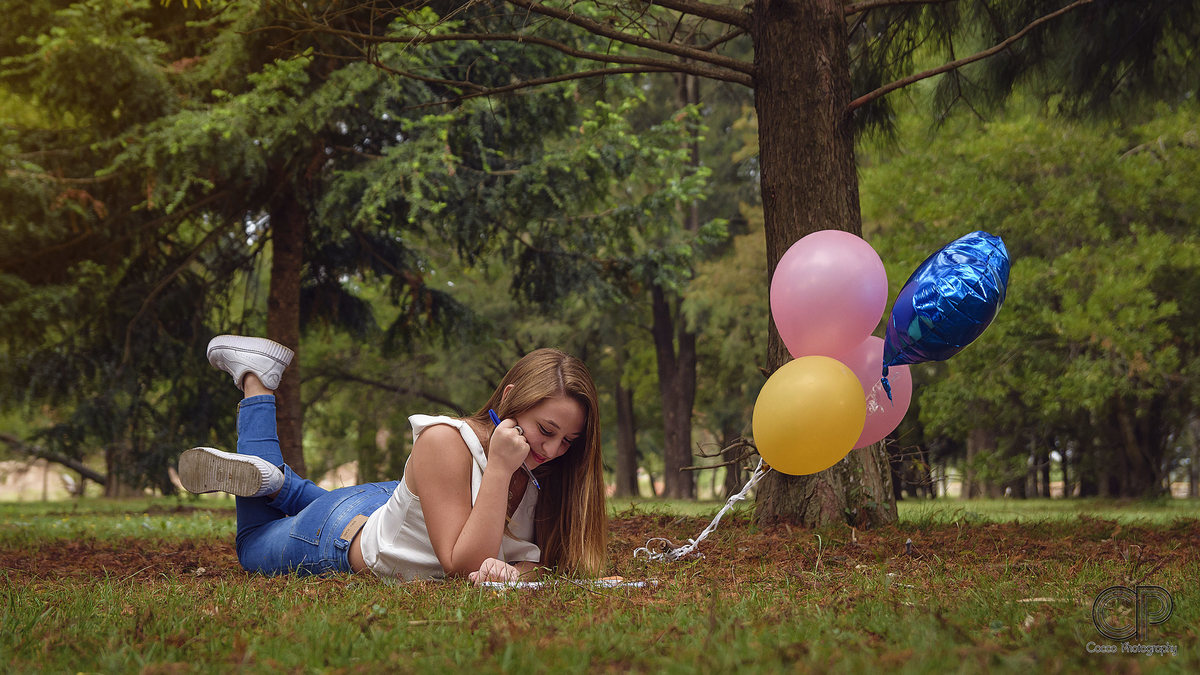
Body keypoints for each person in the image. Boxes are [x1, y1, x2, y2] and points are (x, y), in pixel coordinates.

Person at [178, 335, 607, 584]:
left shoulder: (550, 468)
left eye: (569, 440)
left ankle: (280, 484)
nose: (550, 451)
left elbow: (545, 563)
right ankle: (257, 381)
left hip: (392, 507)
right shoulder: (444, 442)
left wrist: (518, 570)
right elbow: (464, 566)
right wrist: (499, 469)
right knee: (253, 544)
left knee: (297, 499)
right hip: (341, 536)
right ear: (511, 398)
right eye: (546, 431)